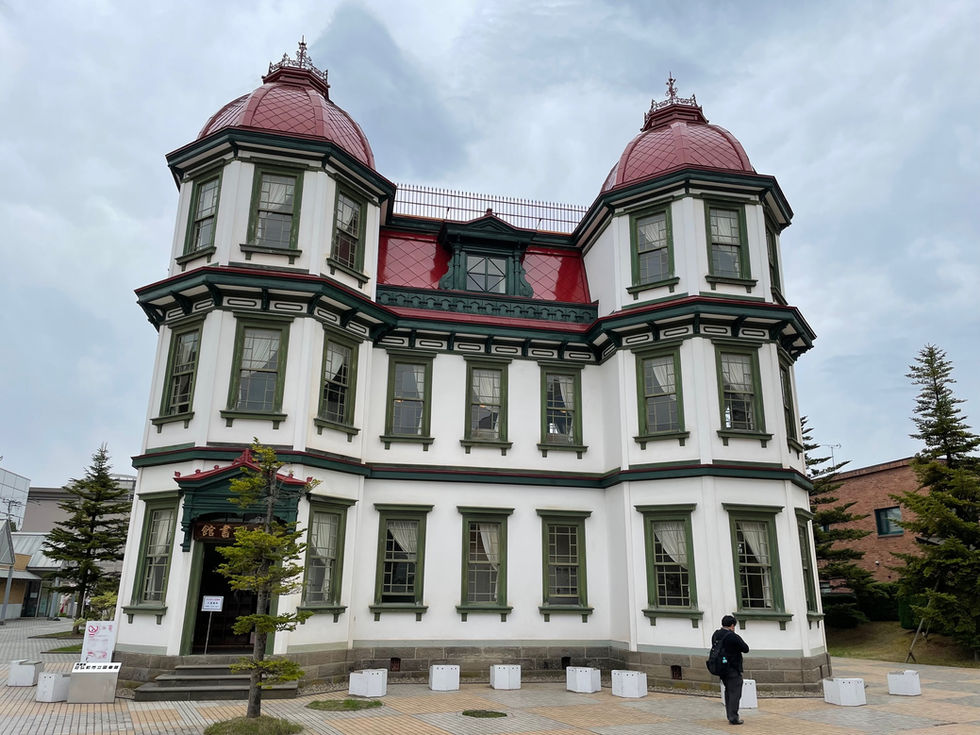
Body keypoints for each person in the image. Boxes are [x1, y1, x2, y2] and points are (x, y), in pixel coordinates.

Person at [712, 614, 750, 725]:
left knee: (728, 691)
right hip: (732, 668)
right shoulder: (732, 636)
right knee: (735, 692)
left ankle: (730, 714)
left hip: (721, 668)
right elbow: (745, 648)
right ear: (732, 625)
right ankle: (733, 717)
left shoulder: (716, 634)